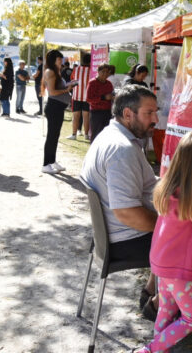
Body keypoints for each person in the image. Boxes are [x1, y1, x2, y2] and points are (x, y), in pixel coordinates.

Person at [133, 132, 192, 353]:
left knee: (166, 308)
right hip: (177, 269)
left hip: (162, 264)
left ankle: (158, 348)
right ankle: (150, 350)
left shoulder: (168, 188)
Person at [79, 85, 161, 320]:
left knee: (183, 230)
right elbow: (127, 213)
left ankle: (152, 290)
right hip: (124, 239)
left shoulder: (110, 135)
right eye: (149, 113)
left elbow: (143, 183)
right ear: (127, 114)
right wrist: (170, 224)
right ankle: (160, 306)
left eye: (156, 112)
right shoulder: (121, 149)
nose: (155, 119)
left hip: (110, 235)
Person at [42, 49, 76, 174]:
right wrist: (67, 89)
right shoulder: (50, 72)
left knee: (55, 136)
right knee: (51, 136)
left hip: (58, 107)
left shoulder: (56, 72)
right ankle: (46, 163)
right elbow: (52, 92)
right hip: (53, 107)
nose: (61, 61)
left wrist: (68, 85)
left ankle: (52, 161)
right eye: (59, 59)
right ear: (53, 60)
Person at [86, 63, 115, 143]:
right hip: (96, 113)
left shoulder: (109, 84)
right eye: (103, 71)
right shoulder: (92, 83)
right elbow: (89, 99)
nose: (105, 74)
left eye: (107, 72)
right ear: (98, 71)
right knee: (96, 135)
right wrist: (103, 97)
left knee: (106, 136)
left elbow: (112, 94)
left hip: (107, 112)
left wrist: (113, 97)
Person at [68, 53, 91, 140]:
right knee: (86, 116)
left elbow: (73, 80)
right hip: (87, 97)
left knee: (75, 116)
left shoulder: (76, 69)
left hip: (76, 95)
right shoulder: (92, 70)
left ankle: (74, 134)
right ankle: (86, 135)